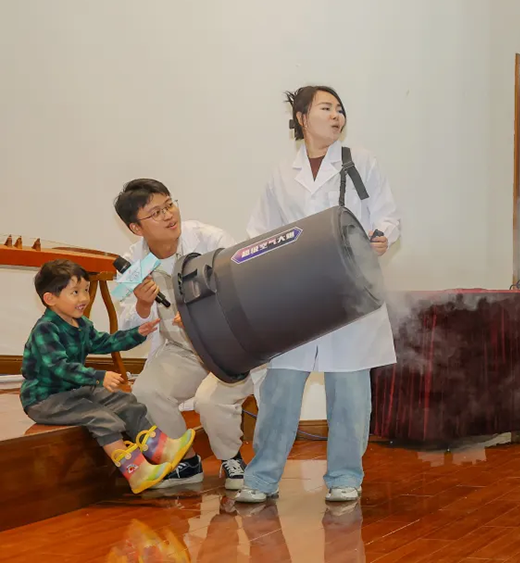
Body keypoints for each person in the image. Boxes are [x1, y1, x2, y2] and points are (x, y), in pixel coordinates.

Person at [235, 85, 400, 504]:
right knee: (281, 387)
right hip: (297, 294)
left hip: (350, 290)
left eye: (340, 109)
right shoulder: (281, 173)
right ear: (302, 118)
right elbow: (260, 231)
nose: (336, 115)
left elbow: (387, 215)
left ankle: (345, 475)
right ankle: (261, 478)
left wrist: (382, 236)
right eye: (326, 108)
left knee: (349, 390)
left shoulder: (361, 162)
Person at [114, 178, 262, 490]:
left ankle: (231, 458)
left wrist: (205, 313)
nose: (169, 215)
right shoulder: (133, 265)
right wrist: (143, 304)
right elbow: (127, 330)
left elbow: (247, 288)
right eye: (156, 213)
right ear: (136, 228)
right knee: (147, 392)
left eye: (169, 205)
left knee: (209, 400)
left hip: (230, 347)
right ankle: (186, 461)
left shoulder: (210, 240)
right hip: (182, 350)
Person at [20, 259, 195, 494]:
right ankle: (136, 471)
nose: (84, 298)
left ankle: (159, 449)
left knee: (124, 401)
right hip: (44, 399)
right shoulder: (45, 329)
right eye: (75, 292)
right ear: (50, 298)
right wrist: (98, 376)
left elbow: (105, 342)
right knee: (99, 416)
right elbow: (59, 367)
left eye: (85, 290)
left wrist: (137, 334)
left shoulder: (80, 324)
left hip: (72, 389)